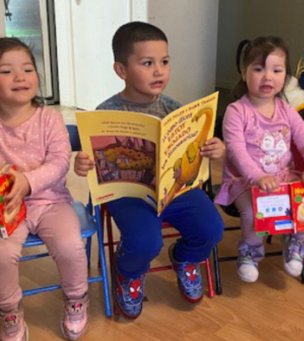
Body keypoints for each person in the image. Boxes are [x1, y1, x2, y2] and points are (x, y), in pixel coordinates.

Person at [73, 22, 225, 319]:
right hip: (129, 195)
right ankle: (128, 272)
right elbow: (92, 161)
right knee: (145, 241)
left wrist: (214, 149)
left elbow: (195, 150)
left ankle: (185, 258)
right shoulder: (104, 113)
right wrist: (83, 164)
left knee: (212, 228)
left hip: (175, 188)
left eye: (165, 62)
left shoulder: (175, 109)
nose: (159, 71)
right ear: (121, 70)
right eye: (148, 63)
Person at [0, 37, 88, 340]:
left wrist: (28, 181)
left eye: (28, 69)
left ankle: (76, 299)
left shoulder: (49, 118)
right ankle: (9, 311)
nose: (20, 77)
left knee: (71, 246)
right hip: (7, 209)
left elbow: (60, 162)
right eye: (6, 72)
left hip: (53, 202)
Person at [214, 36, 304, 283]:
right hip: (244, 180)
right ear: (244, 73)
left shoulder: (286, 109)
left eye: (277, 70)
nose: (268, 77)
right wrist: (257, 177)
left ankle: (297, 245)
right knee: (253, 213)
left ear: (285, 76)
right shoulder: (236, 111)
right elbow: (236, 150)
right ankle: (250, 253)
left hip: (283, 176)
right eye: (258, 69)